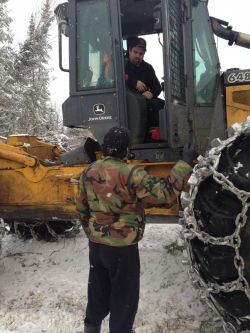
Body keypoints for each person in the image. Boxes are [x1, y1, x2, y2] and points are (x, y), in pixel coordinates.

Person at [76, 127, 197, 333]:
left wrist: (91, 232)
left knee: (97, 289)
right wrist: (184, 163)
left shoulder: (88, 171)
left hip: (97, 246)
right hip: (123, 247)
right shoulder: (132, 173)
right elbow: (164, 195)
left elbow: (81, 207)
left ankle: (91, 327)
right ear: (126, 150)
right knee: (125, 296)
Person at [125, 37, 164, 128]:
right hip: (128, 105)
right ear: (130, 51)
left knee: (163, 106)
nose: (138, 56)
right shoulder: (122, 65)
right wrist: (134, 82)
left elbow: (157, 87)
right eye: (135, 52)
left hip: (145, 102)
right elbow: (117, 78)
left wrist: (151, 93)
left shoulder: (148, 68)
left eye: (141, 53)